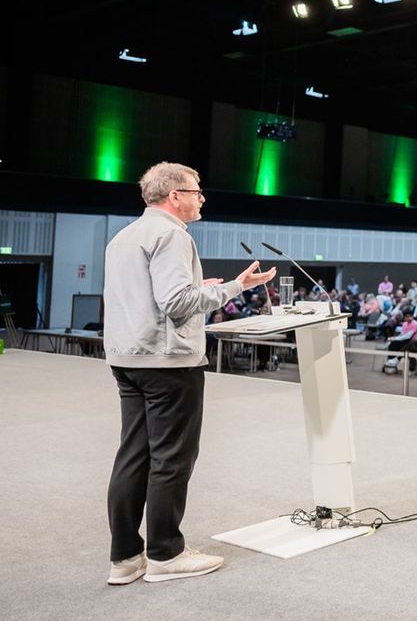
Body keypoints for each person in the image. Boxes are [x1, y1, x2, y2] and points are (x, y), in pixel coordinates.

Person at [103, 162, 276, 585]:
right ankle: (166, 553)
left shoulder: (124, 236)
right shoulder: (172, 235)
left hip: (128, 359)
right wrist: (234, 288)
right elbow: (177, 304)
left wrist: (202, 288)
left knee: (133, 456)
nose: (202, 198)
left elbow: (152, 297)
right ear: (174, 196)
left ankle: (125, 557)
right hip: (169, 363)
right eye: (197, 191)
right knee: (171, 458)